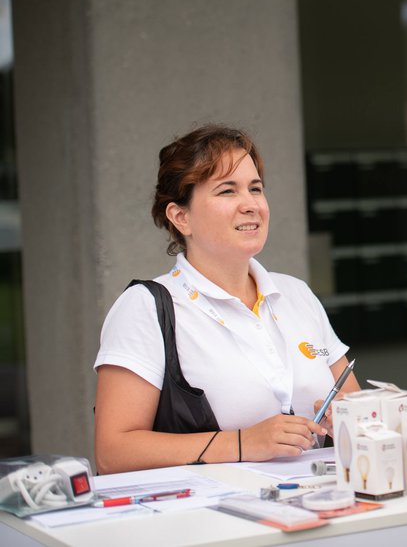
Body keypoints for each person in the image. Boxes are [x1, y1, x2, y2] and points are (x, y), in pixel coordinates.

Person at [94, 125, 360, 474]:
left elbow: (355, 403)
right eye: (227, 191)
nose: (250, 205)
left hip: (320, 506)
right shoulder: (146, 307)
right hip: (213, 523)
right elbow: (113, 452)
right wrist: (242, 442)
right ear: (181, 217)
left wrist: (348, 416)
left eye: (255, 189)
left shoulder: (296, 294)